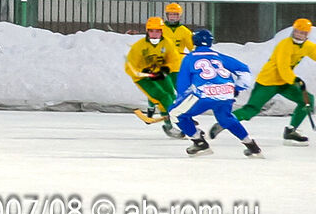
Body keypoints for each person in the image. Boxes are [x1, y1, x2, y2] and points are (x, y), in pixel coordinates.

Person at [171, 29, 261, 157]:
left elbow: (183, 85)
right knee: (226, 119)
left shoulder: (189, 58)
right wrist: (237, 88)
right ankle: (252, 147)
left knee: (175, 113)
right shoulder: (219, 56)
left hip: (204, 94)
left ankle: (199, 143)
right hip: (226, 93)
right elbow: (244, 70)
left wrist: (180, 101)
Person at [227, 16, 315, 144]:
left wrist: (294, 81)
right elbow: (282, 68)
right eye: (297, 31)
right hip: (268, 82)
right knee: (252, 109)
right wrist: (296, 80)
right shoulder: (285, 44)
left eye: (302, 33)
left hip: (284, 83)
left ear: (306, 35)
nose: (298, 35)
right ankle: (226, 121)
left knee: (307, 100)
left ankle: (291, 131)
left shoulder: (307, 46)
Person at [125, 16, 182, 136]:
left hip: (159, 74)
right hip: (143, 78)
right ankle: (169, 125)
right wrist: (143, 72)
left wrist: (166, 69)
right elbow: (130, 66)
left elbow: (174, 59)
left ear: (162, 31)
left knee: (171, 95)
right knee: (163, 97)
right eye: (151, 31)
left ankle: (168, 116)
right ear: (147, 31)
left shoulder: (167, 43)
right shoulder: (139, 46)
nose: (154, 34)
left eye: (157, 31)